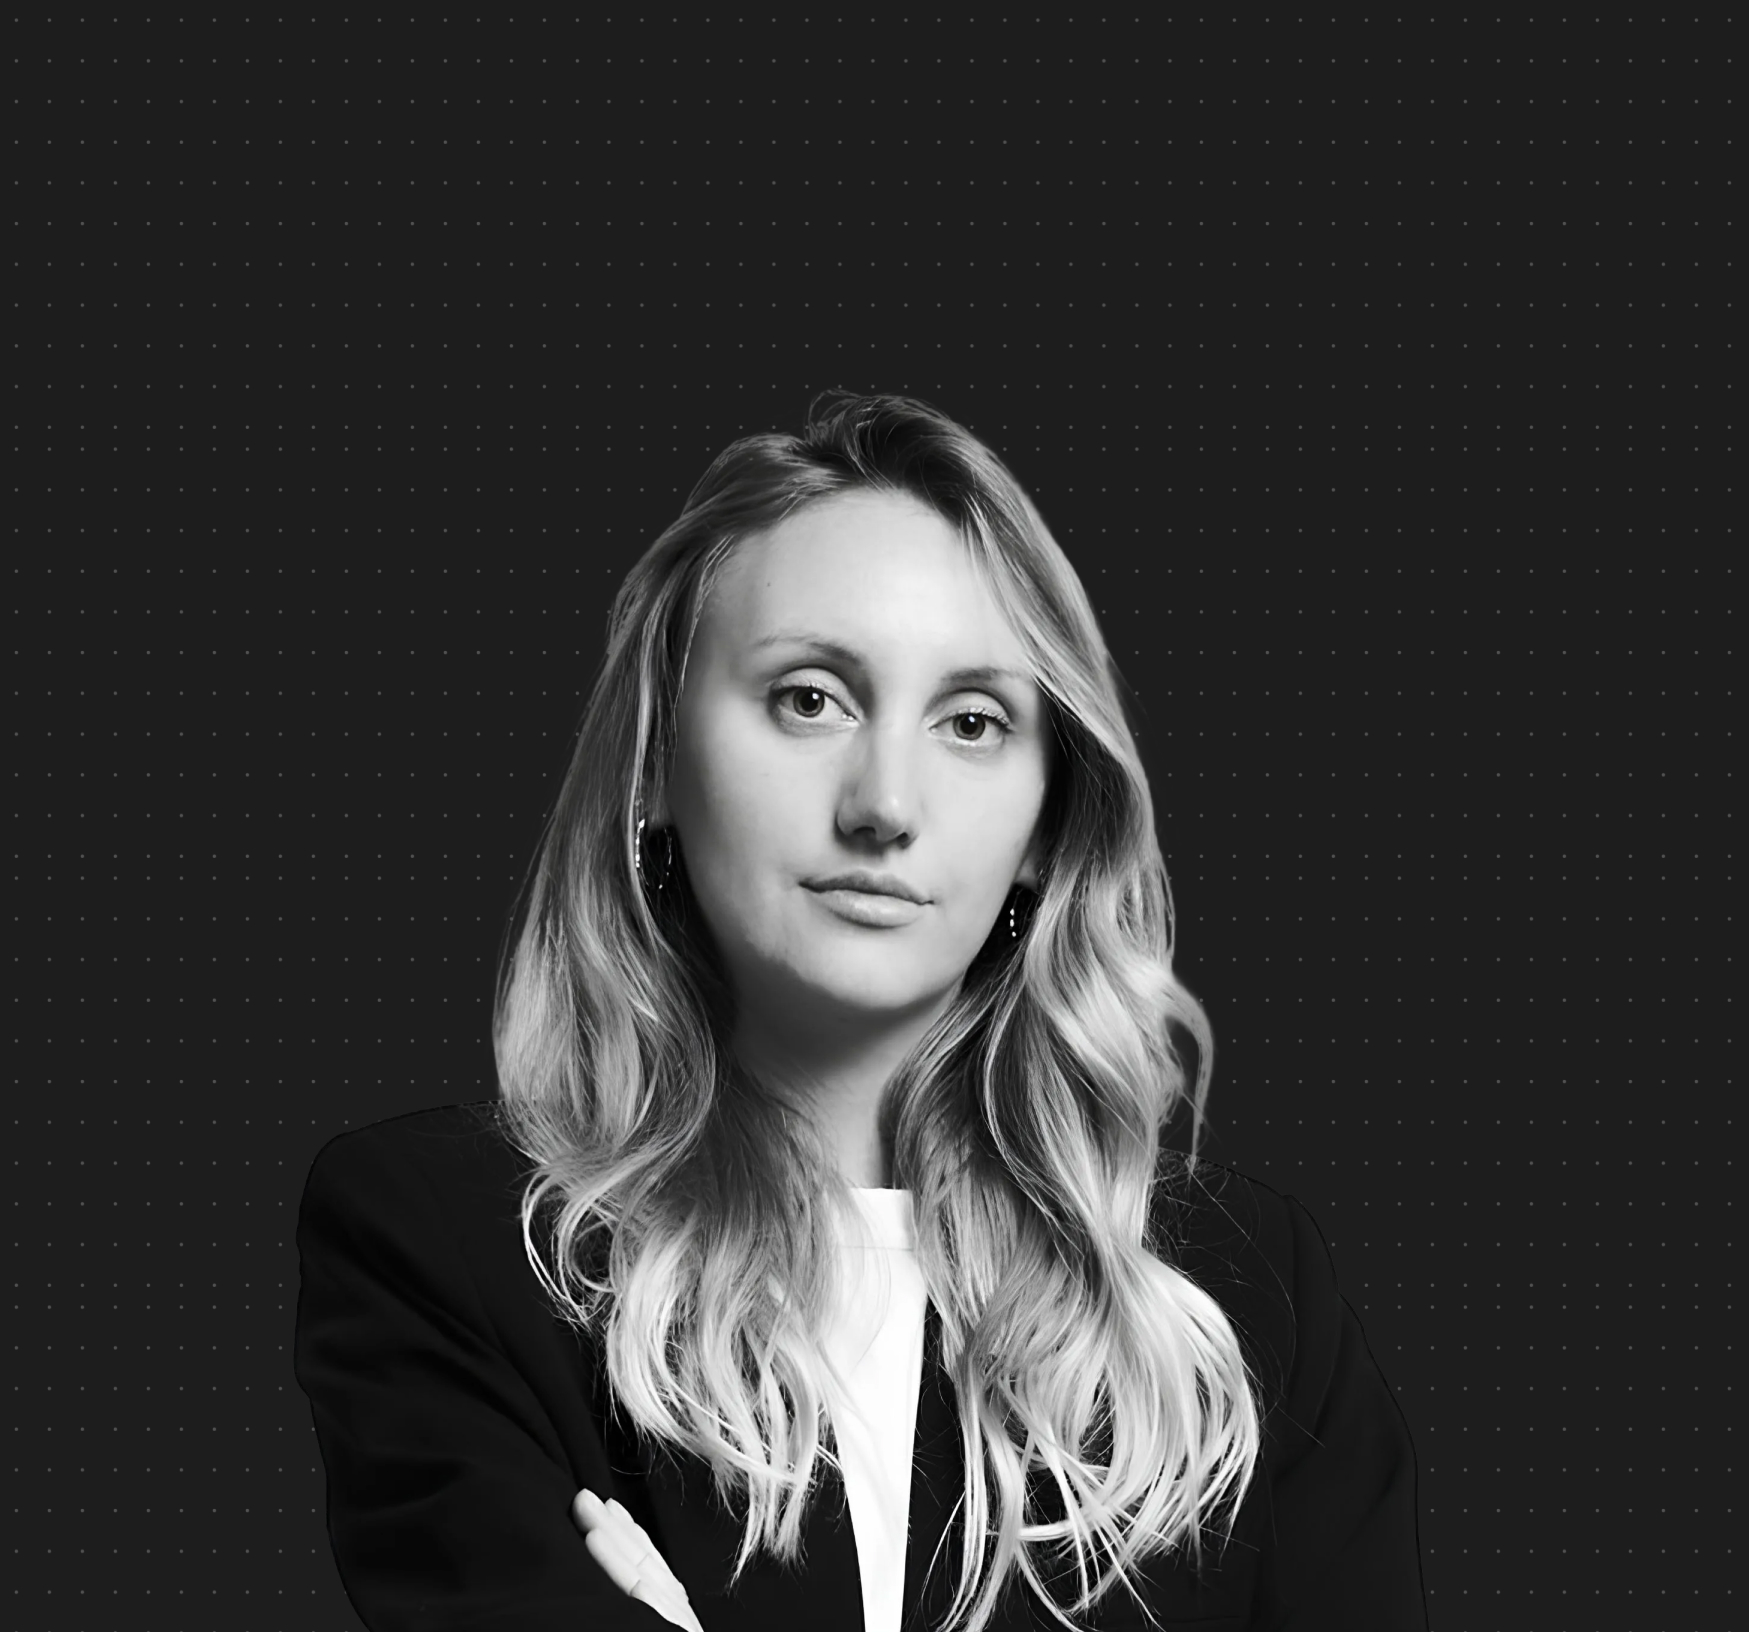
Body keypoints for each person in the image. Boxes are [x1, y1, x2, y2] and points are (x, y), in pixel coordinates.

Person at [293, 392, 1429, 1631]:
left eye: (972, 722)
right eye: (809, 698)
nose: (885, 804)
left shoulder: (1250, 1305)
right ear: (655, 763)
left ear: (1045, 829)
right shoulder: (454, 1246)